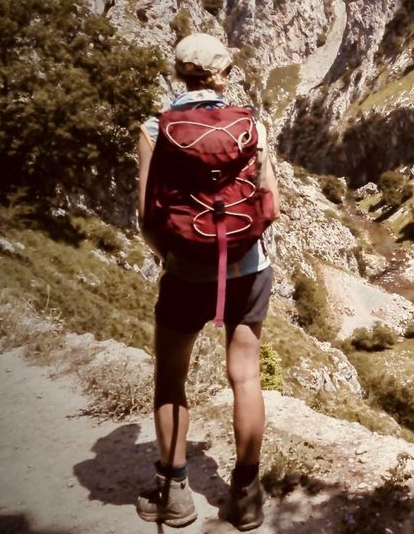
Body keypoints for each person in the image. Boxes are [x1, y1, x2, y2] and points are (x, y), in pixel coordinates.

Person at [135, 33, 279, 530]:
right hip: (248, 268)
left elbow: (147, 218)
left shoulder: (156, 128)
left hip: (185, 272)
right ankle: (247, 496)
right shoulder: (251, 126)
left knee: (171, 379)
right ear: (222, 74)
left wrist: (172, 256)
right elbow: (271, 205)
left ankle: (173, 495)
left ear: (180, 74)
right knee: (246, 376)